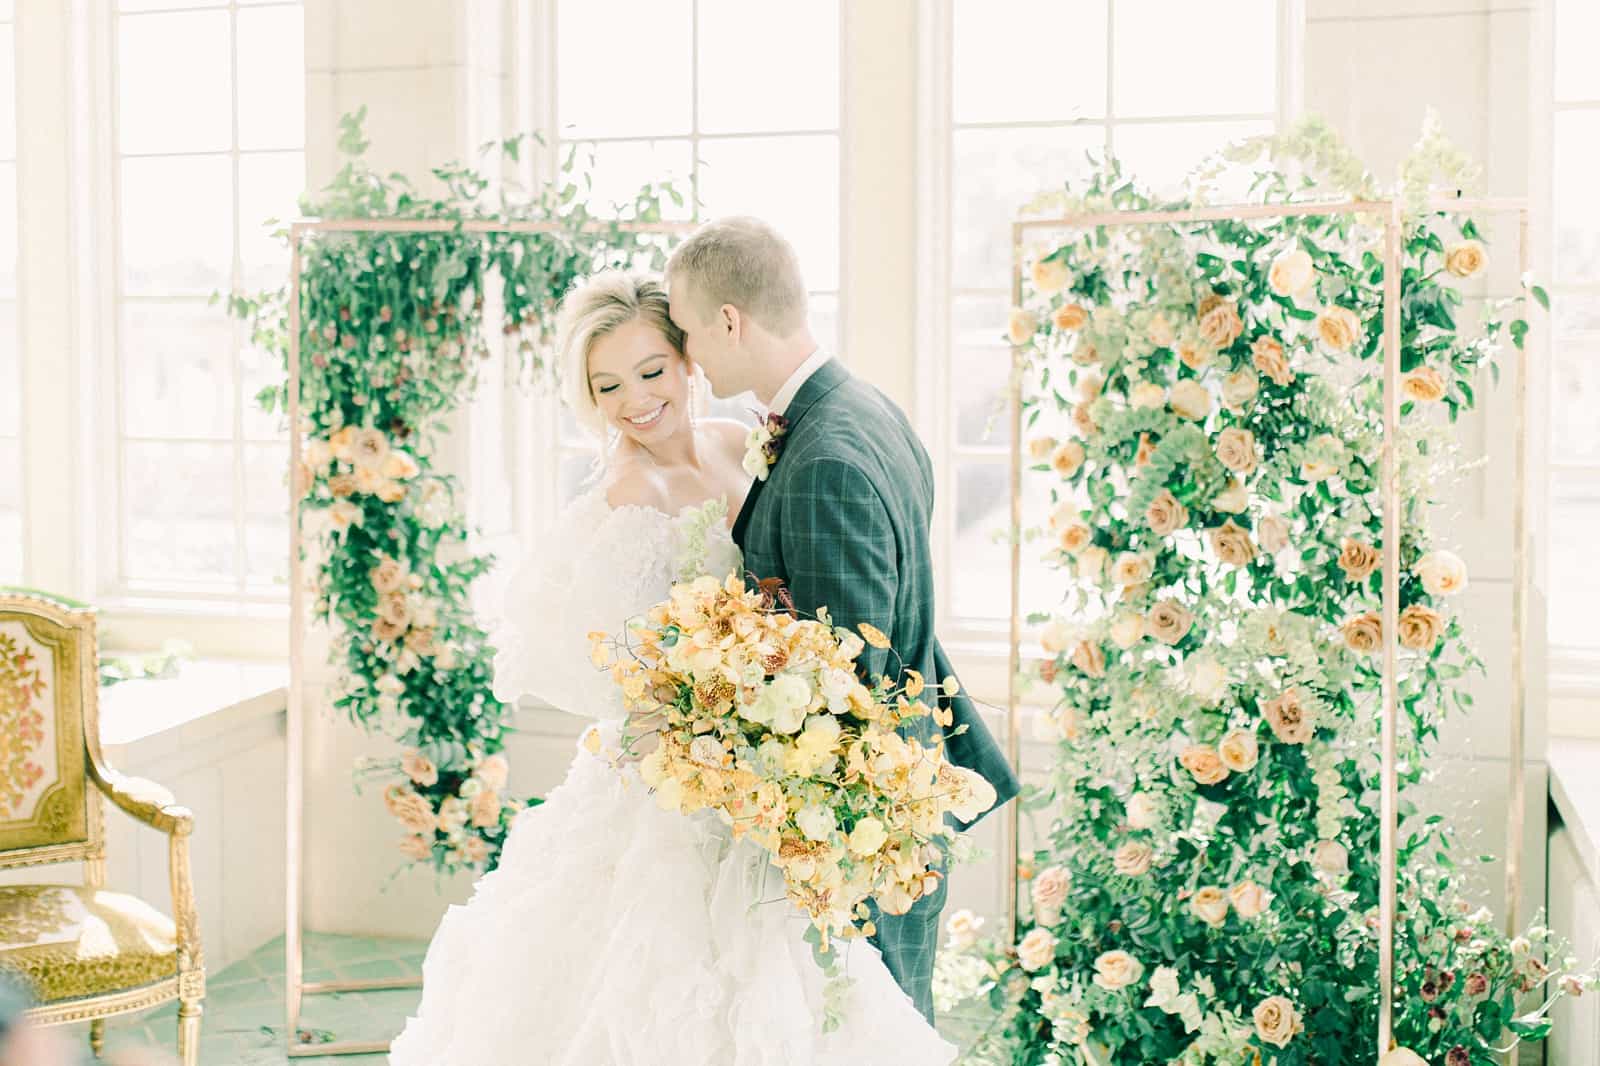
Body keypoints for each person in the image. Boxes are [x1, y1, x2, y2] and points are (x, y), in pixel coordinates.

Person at [388, 270, 957, 1065]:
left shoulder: (744, 443)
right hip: (679, 777)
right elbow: (623, 670)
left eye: (651, 371)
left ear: (689, 360)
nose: (635, 401)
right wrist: (712, 711)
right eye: (607, 386)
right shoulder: (630, 488)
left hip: (767, 762)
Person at [665, 216, 1020, 1021]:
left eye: (688, 331)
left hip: (868, 833)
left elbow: (854, 683)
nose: (688, 356)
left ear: (730, 321)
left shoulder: (824, 458)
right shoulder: (867, 407)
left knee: (868, 1026)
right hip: (896, 806)